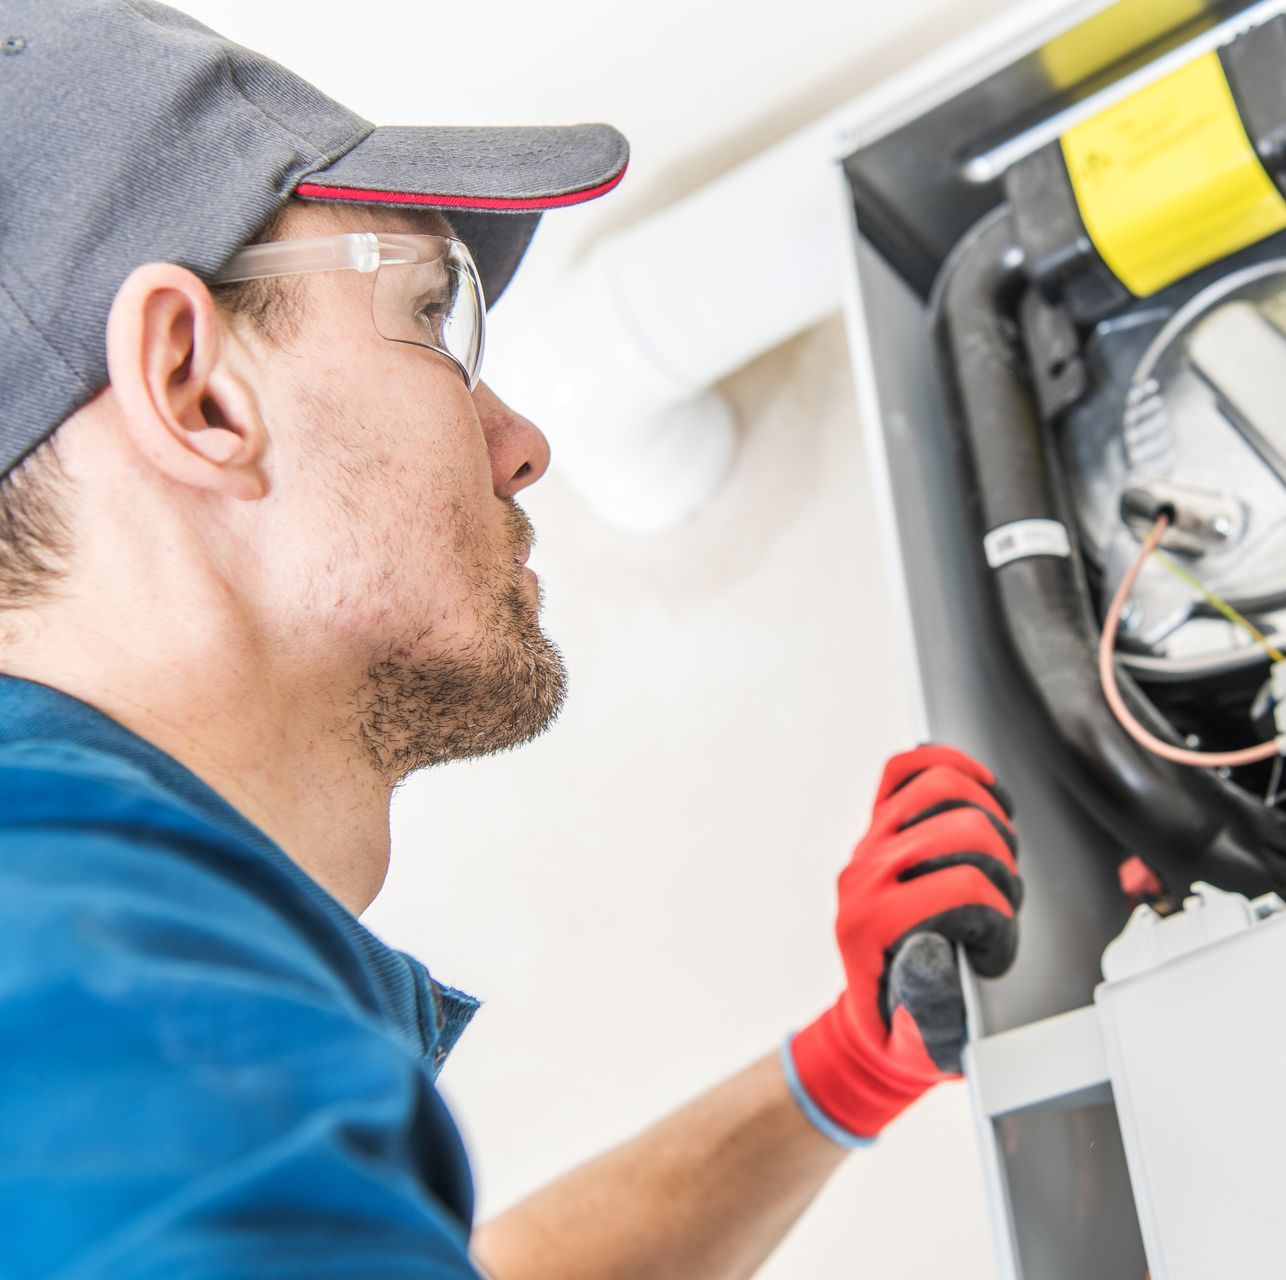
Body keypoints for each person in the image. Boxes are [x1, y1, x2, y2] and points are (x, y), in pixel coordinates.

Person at [0, 3, 1024, 1276]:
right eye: (432, 315)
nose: (521, 441)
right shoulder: (103, 997)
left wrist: (852, 1066)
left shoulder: (94, 1016)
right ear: (196, 389)